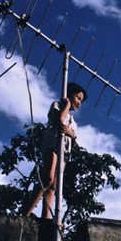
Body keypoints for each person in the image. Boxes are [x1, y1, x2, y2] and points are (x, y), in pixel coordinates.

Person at [24, 82, 87, 219]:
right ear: (68, 95)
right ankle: (26, 213)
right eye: (77, 98)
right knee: (48, 178)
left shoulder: (73, 122)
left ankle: (46, 217)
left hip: (64, 152)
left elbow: (73, 140)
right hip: (52, 146)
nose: (79, 102)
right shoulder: (57, 105)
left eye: (80, 101)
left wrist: (72, 134)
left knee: (53, 186)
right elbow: (60, 119)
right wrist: (68, 105)